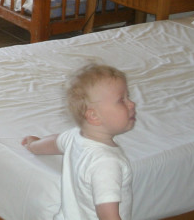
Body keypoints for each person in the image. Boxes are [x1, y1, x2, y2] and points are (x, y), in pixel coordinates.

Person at [21, 63, 136, 220]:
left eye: (128, 96)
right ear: (94, 116)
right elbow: (108, 215)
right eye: (121, 100)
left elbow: (55, 142)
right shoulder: (107, 163)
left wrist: (33, 145)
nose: (132, 104)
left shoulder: (75, 136)